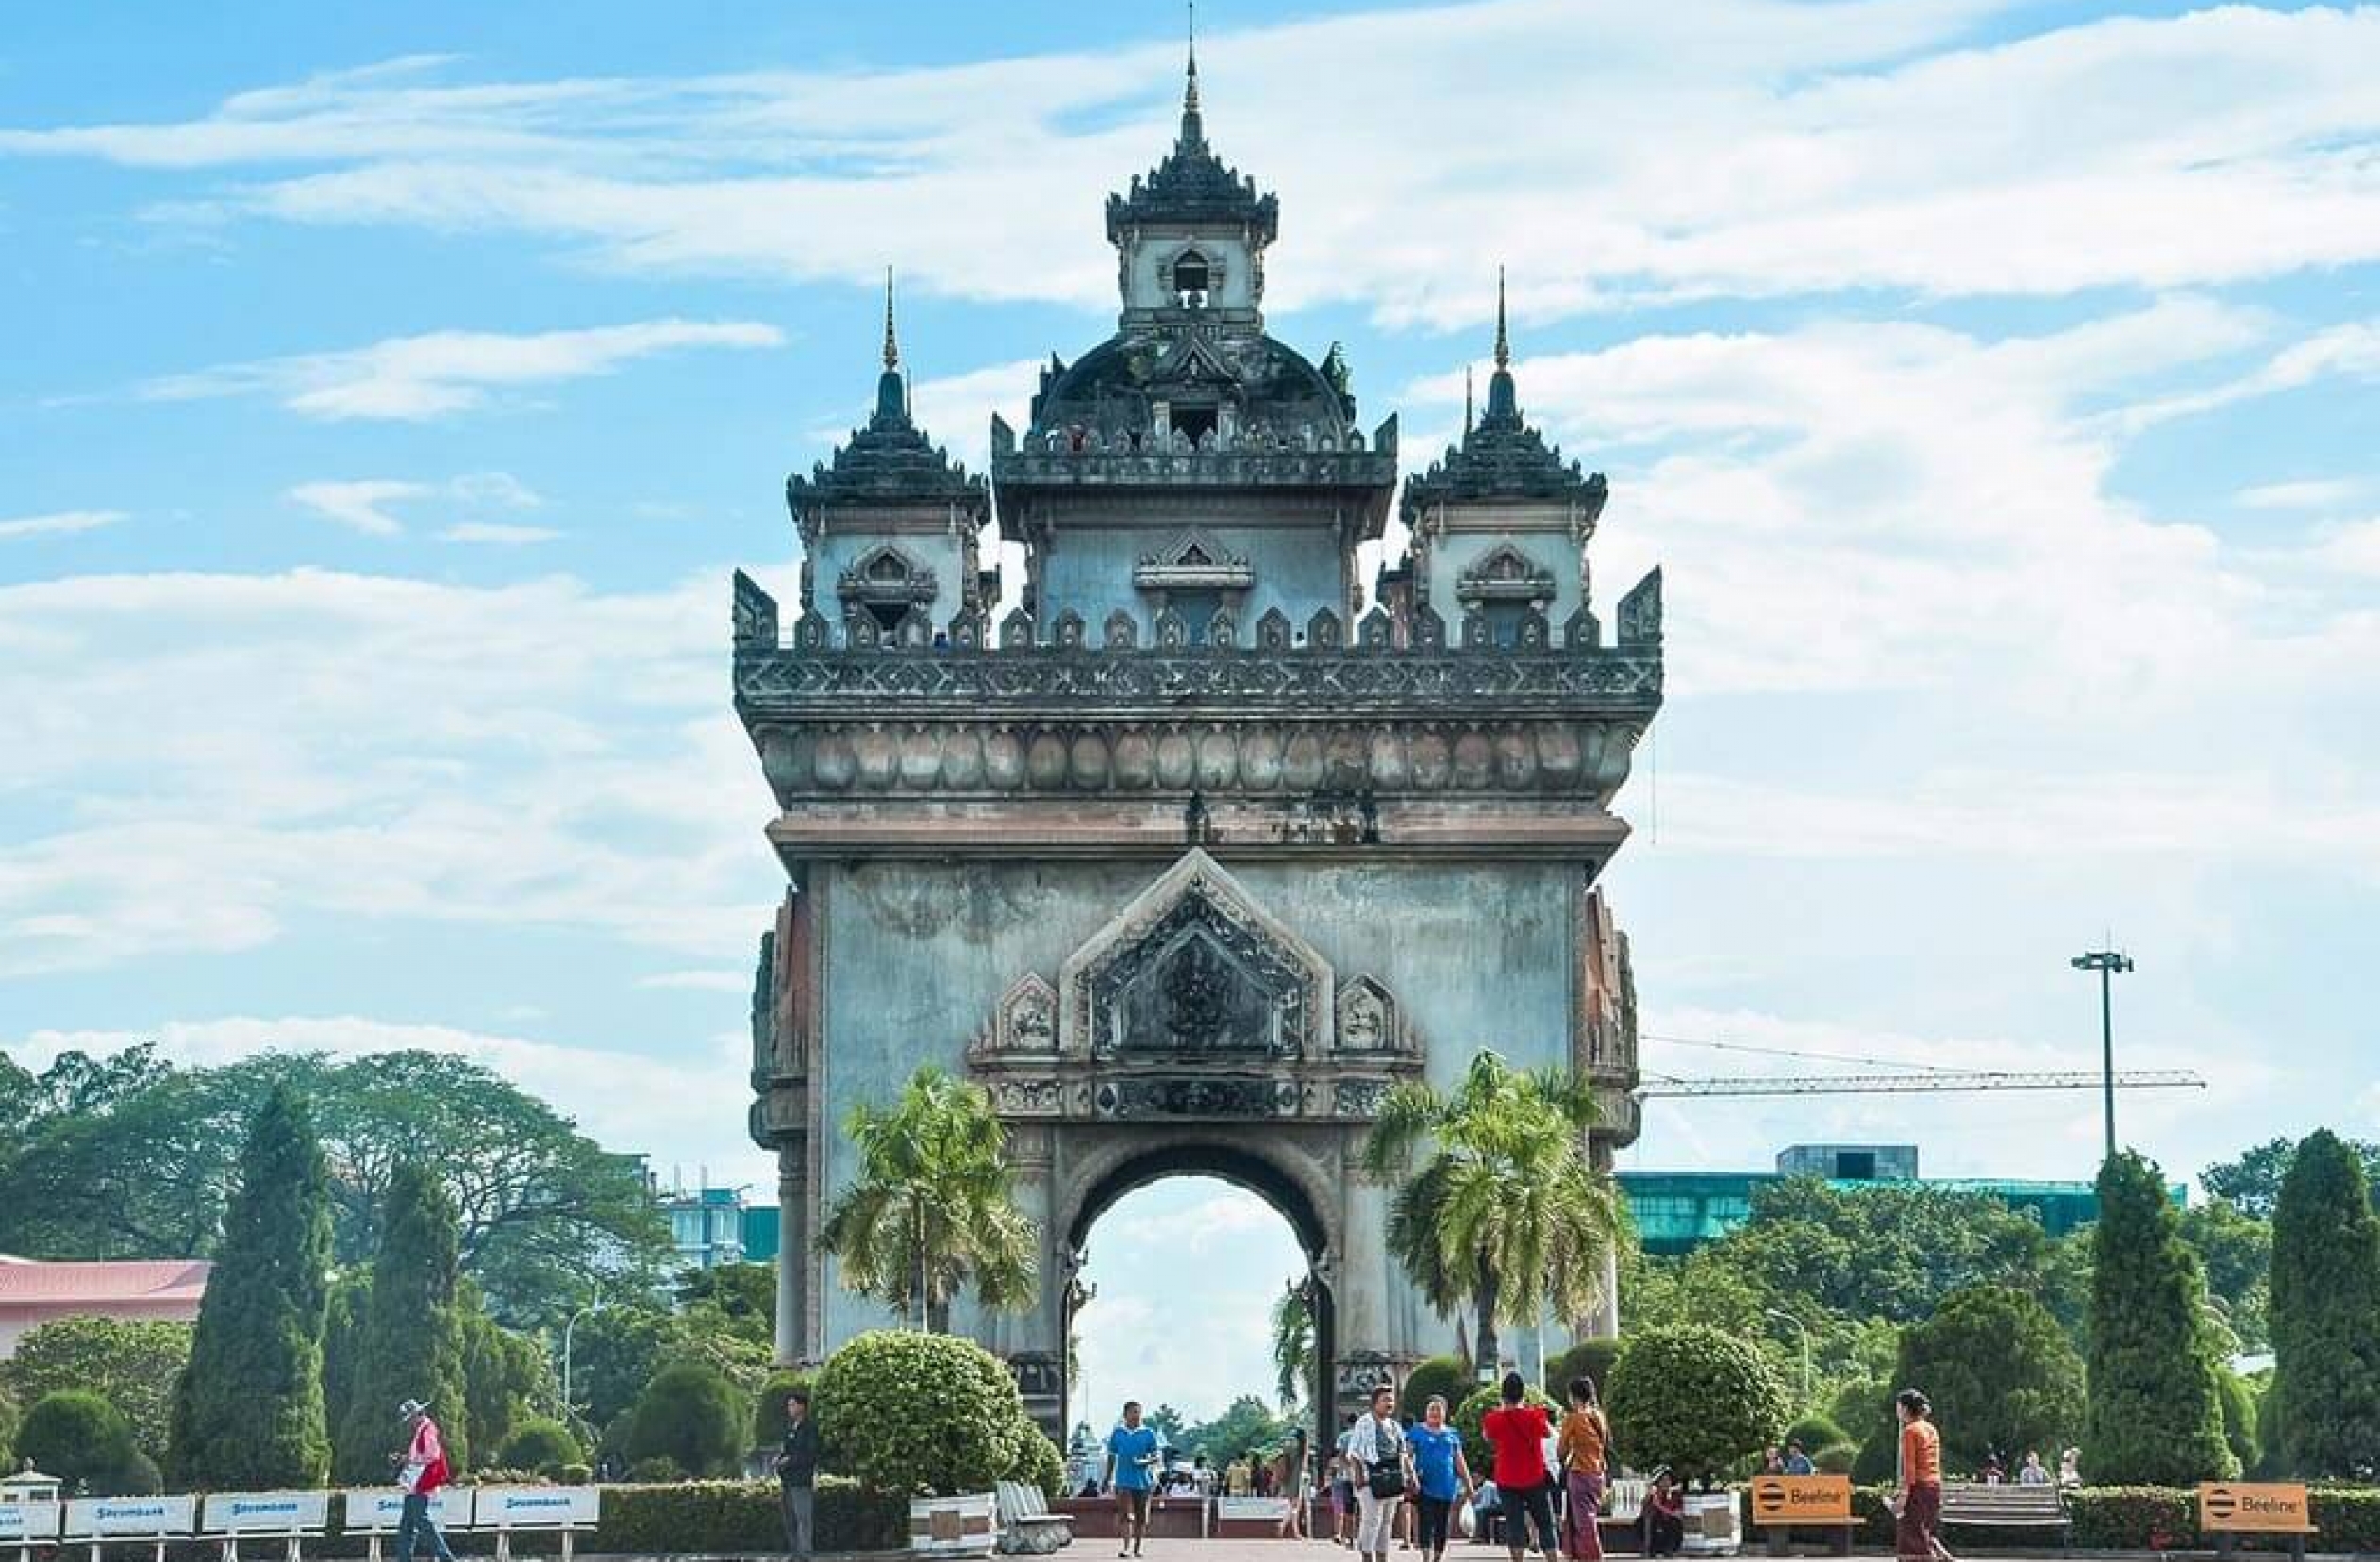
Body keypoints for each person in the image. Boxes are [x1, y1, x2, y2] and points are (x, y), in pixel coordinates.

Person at [1480, 1373, 1557, 1562]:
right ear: (1523, 1394)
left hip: (1507, 1479)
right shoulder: (1535, 1416)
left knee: (1515, 1525)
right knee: (1545, 1524)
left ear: (1503, 1395)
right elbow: (1548, 1434)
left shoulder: (1493, 1419)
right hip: (1535, 1477)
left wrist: (1502, 1410)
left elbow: (1486, 1437)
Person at [1347, 1383, 1413, 1562]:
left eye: (1391, 1399)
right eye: (1385, 1399)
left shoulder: (1394, 1426)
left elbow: (1404, 1453)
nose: (1389, 1403)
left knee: (1386, 1521)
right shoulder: (1364, 1422)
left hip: (1392, 1478)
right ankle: (1367, 1555)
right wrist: (1359, 1476)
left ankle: (1382, 1556)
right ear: (1375, 1402)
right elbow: (1354, 1452)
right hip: (1370, 1479)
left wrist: (1411, 1476)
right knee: (1371, 1520)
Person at [1406, 1394, 1474, 1562]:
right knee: (1426, 1522)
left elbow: (1459, 1460)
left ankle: (1438, 1556)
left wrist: (1469, 1485)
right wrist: (1410, 1475)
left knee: (1442, 1524)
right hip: (1424, 1485)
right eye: (1431, 1409)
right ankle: (1426, 1557)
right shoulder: (1416, 1431)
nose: (1435, 1412)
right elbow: (1406, 1456)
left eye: (1438, 1409)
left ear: (1445, 1412)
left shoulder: (1452, 1434)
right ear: (1426, 1412)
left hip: (1446, 1487)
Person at [1892, 1389, 1956, 1562]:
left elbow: (1910, 1468)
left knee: (1912, 1539)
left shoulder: (1910, 1431)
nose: (1896, 1410)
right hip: (1934, 1487)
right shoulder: (1930, 1429)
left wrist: (1903, 1497)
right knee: (1924, 1531)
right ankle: (1942, 1555)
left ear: (1905, 1409)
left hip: (1918, 1488)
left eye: (1898, 1406)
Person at [391, 1399, 456, 1562]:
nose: (409, 1422)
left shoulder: (427, 1430)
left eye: (410, 1418)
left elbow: (432, 1455)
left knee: (421, 1522)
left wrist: (410, 1459)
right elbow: (422, 1455)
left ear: (417, 1415)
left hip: (421, 1482)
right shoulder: (422, 1430)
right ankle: (404, 1558)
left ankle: (446, 1557)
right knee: (407, 1524)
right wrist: (405, 1459)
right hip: (415, 1483)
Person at [1556, 1376, 1610, 1562]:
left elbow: (1561, 1450)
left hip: (1580, 1473)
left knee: (1583, 1522)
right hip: (1598, 1474)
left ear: (1573, 1396)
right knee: (1588, 1517)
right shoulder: (1599, 1416)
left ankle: (1593, 1557)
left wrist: (1564, 1458)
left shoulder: (1573, 1418)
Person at [1105, 1401, 1160, 1560]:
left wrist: (1145, 1462)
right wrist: (1107, 1477)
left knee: (1141, 1517)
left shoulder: (1148, 1433)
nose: (1136, 1416)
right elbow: (1111, 1456)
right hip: (1123, 1480)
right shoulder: (1118, 1433)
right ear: (1125, 1415)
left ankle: (1138, 1547)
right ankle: (1126, 1547)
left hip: (1143, 1481)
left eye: (1138, 1412)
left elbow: (1157, 1456)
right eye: (1133, 1412)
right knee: (1124, 1515)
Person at [774, 1389, 821, 1558]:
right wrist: (779, 1460)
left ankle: (805, 1552)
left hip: (801, 1481)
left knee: (803, 1518)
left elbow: (810, 1454)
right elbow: (786, 1450)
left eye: (792, 1405)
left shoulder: (810, 1428)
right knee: (789, 1519)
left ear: (802, 1406)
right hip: (787, 1481)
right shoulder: (789, 1428)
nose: (789, 1409)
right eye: (788, 1405)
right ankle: (794, 1552)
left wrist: (789, 1461)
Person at [1280, 1429, 1317, 1541]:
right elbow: (1305, 1466)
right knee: (1295, 1507)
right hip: (1300, 1479)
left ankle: (1285, 1526)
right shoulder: (1303, 1450)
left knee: (1293, 1506)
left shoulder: (1289, 1448)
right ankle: (1292, 1531)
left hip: (1289, 1480)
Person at [1641, 1472, 1685, 1559]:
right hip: (1655, 1531)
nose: (1666, 1483)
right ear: (1658, 1483)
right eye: (1663, 1480)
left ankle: (1669, 1550)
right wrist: (1648, 1496)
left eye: (1668, 1480)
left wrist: (1659, 1507)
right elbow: (1644, 1512)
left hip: (1670, 1530)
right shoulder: (1654, 1496)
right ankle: (1650, 1550)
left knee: (1674, 1522)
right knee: (1649, 1519)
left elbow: (1678, 1515)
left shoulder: (1675, 1495)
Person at [1334, 1413, 1360, 1547]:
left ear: (1348, 1423)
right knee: (1362, 1509)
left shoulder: (1343, 1436)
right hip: (1363, 1477)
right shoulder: (1363, 1436)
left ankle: (1350, 1538)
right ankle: (1359, 1538)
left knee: (1348, 1508)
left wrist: (1341, 1470)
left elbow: (1340, 1456)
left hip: (1347, 1476)